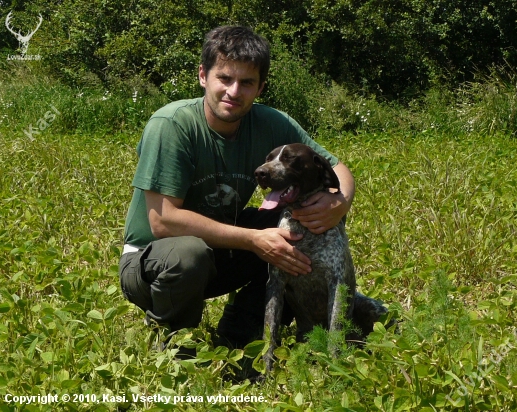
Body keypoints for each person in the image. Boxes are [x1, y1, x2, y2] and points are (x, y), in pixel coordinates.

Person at [118, 25, 355, 348]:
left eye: (247, 83)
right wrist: (255, 240)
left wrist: (339, 201)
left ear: (260, 88)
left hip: (222, 251)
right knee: (189, 253)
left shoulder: (271, 123)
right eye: (225, 78)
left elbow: (337, 167)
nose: (234, 91)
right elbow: (164, 221)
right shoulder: (172, 125)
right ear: (203, 76)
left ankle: (241, 335)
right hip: (152, 263)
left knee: (292, 229)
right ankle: (174, 341)